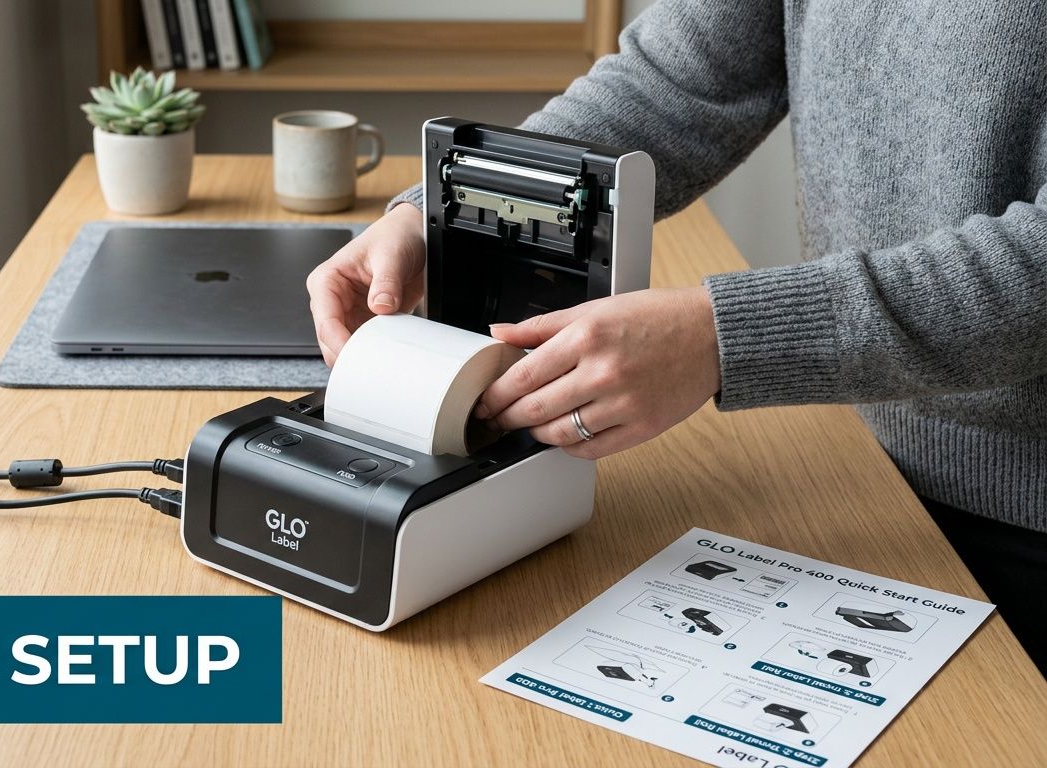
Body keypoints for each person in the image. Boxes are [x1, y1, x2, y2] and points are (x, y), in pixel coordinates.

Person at [306, 1, 1047, 672]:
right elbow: (679, 84)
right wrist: (436, 216)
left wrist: (721, 340)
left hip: (1025, 517)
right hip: (859, 463)